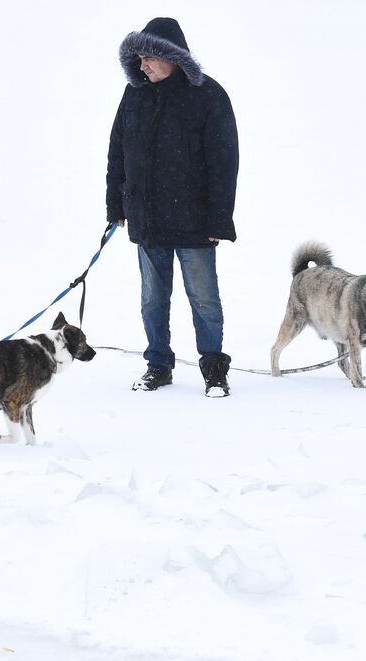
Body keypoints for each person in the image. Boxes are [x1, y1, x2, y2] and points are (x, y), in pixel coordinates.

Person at [106, 17, 239, 398]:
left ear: (172, 57)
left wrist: (218, 218)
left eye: (150, 58)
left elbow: (224, 162)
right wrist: (117, 203)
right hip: (148, 220)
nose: (143, 65)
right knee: (152, 299)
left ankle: (214, 369)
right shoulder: (134, 94)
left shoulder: (208, 95)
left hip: (195, 222)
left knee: (204, 300)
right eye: (140, 59)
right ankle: (158, 365)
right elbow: (118, 152)